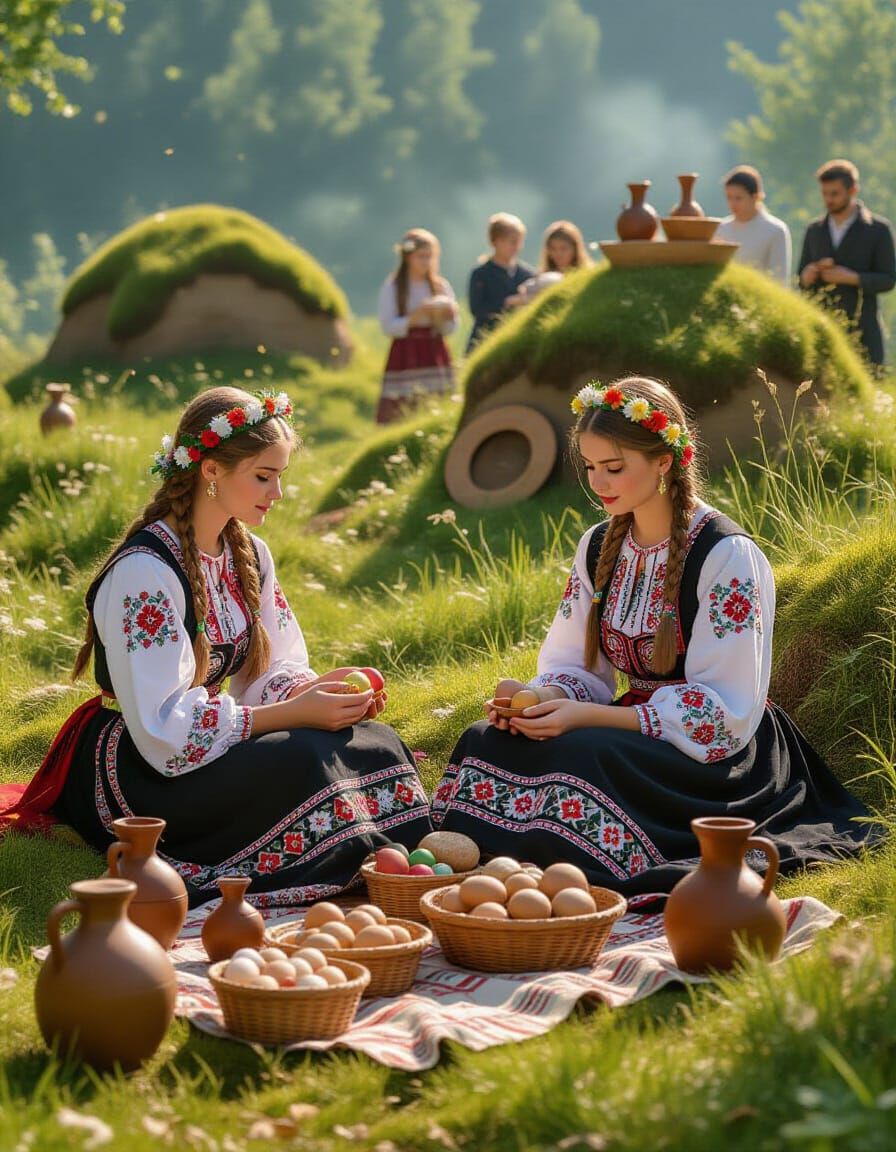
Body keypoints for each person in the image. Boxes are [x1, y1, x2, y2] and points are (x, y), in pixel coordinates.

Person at [431, 376, 875, 896]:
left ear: (665, 461)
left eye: (614, 468)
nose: (599, 482)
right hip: (629, 726)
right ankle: (508, 863)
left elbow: (724, 712)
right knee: (486, 740)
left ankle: (559, 870)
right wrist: (539, 699)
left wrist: (590, 717)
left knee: (585, 756)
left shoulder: (727, 556)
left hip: (715, 753)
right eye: (591, 467)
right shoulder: (598, 545)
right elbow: (579, 667)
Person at [2, 387, 433, 906]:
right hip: (145, 761)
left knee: (371, 738)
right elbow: (165, 730)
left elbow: (270, 668)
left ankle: (381, 863)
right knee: (302, 759)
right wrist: (295, 714)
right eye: (263, 476)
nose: (276, 494)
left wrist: (316, 690)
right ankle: (347, 862)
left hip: (210, 737)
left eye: (280, 477)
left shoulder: (248, 552)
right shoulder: (145, 572)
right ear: (210, 469)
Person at [798, 159, 895, 366]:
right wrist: (807, 276)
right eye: (824, 193)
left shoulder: (878, 230)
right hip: (821, 330)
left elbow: (889, 279)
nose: (828, 200)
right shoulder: (814, 230)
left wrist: (852, 278)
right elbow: (800, 279)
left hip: (863, 331)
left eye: (834, 193)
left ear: (853, 190)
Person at [376, 228, 459, 424]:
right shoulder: (394, 287)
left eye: (430, 256)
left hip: (434, 350)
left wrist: (446, 317)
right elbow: (388, 326)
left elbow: (451, 328)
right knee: (403, 409)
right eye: (421, 256)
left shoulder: (440, 286)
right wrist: (416, 317)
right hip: (406, 353)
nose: (426, 261)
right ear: (408, 257)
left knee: (437, 404)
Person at [466, 212, 535, 351]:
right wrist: (508, 303)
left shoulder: (527, 274)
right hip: (485, 341)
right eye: (511, 241)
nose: (515, 246)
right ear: (495, 241)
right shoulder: (481, 274)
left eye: (518, 241)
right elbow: (477, 310)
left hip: (518, 341)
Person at [715, 166, 791, 285]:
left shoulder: (775, 230)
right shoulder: (720, 228)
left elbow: (780, 280)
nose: (732, 204)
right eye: (729, 197)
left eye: (738, 198)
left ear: (755, 197)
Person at [507, 219, 593, 307]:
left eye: (564, 249)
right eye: (553, 249)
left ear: (575, 249)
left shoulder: (588, 278)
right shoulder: (542, 279)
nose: (558, 254)